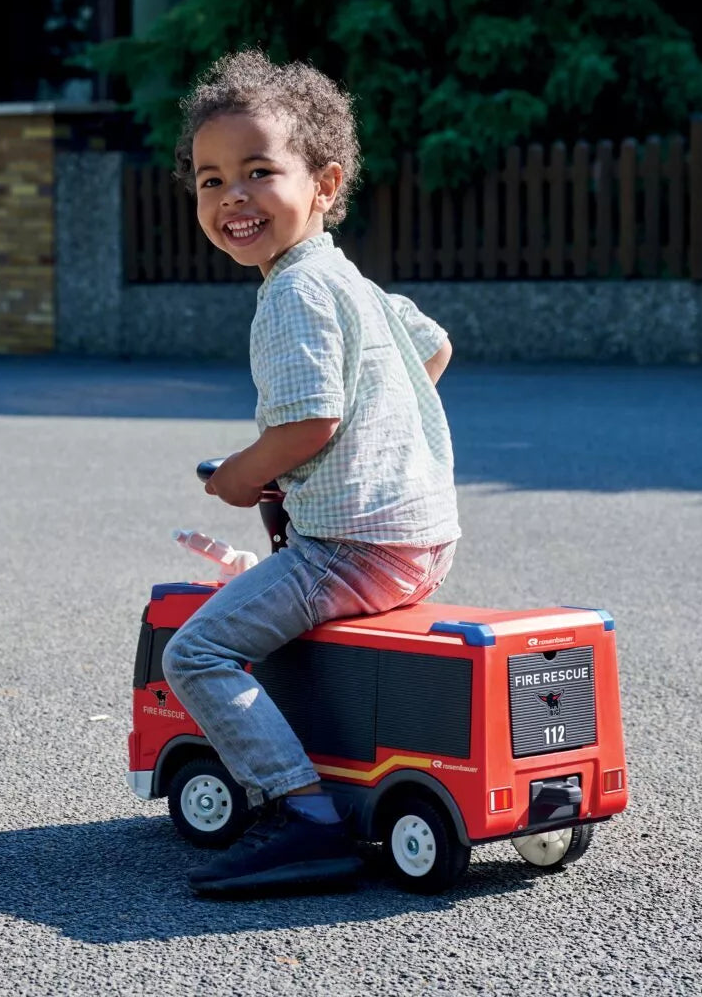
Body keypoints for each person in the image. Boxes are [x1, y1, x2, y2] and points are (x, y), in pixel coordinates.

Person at [163, 48, 461, 896]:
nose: (233, 197)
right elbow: (433, 348)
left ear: (325, 184)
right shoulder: (349, 280)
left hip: (351, 550)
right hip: (423, 542)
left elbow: (308, 424)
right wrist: (373, 441)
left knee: (197, 652)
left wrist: (239, 477)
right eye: (212, 180)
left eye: (259, 172)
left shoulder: (292, 292)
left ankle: (304, 815)